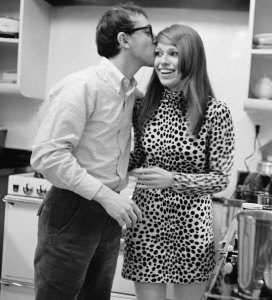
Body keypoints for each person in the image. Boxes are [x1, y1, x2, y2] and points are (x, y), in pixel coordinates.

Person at [30, 4, 155, 300]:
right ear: (124, 40)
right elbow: (47, 156)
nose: (155, 39)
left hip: (108, 213)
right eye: (148, 31)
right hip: (73, 209)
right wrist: (106, 196)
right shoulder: (83, 86)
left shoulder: (130, 92)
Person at [122, 24, 236, 300]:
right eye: (159, 53)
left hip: (192, 230)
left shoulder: (215, 113)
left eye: (173, 53)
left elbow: (221, 178)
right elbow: (137, 159)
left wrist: (174, 179)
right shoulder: (143, 106)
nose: (163, 61)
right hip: (145, 223)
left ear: (191, 58)